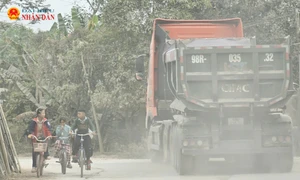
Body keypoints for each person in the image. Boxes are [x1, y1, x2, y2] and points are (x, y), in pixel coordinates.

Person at [27, 108, 52, 173]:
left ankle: (46, 155)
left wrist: (49, 135)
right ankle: (34, 166)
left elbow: (48, 129)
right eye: (43, 113)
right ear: (38, 114)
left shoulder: (46, 121)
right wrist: (31, 135)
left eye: (44, 113)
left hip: (44, 136)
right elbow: (31, 129)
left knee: (45, 145)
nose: (44, 114)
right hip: (35, 137)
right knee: (34, 151)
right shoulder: (34, 121)